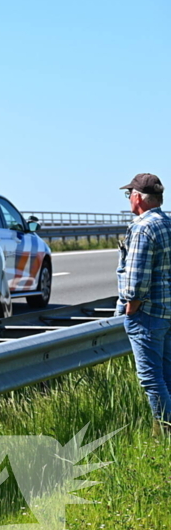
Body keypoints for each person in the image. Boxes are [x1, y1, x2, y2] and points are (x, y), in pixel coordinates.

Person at [116, 173, 171, 435]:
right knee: (167, 375)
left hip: (148, 314)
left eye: (129, 195)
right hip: (168, 310)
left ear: (138, 197)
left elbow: (136, 280)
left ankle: (166, 433)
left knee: (151, 379)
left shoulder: (142, 227)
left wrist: (130, 309)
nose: (129, 199)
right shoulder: (167, 223)